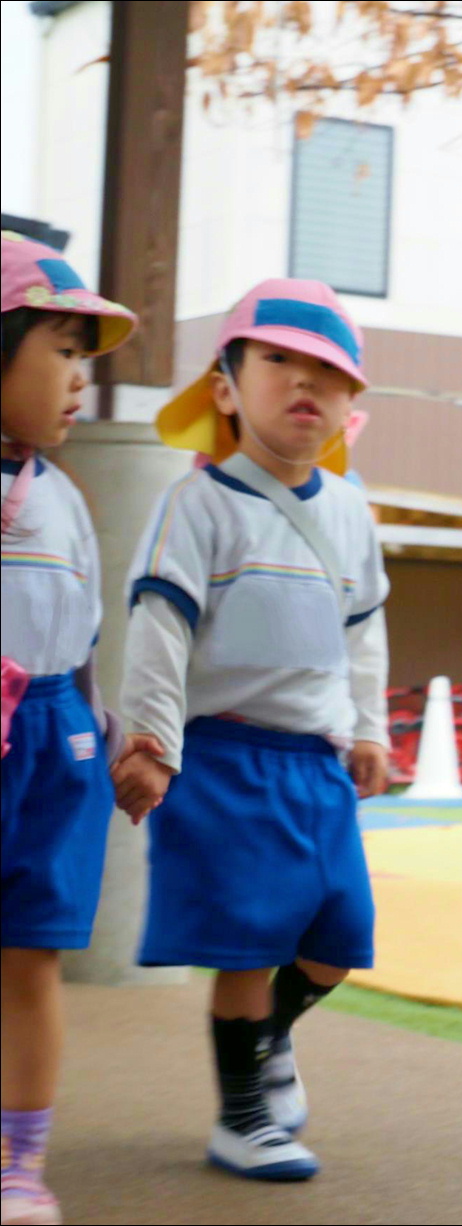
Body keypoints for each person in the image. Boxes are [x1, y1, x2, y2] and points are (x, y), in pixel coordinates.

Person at [109, 279, 391, 1182]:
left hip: (316, 762)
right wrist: (151, 739)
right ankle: (243, 1120)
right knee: (248, 944)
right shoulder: (199, 506)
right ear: (225, 388)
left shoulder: (350, 513)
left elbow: (366, 632)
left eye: (329, 372)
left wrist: (370, 730)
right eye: (278, 361)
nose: (305, 383)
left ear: (352, 404)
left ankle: (270, 1039)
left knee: (340, 936)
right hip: (226, 752)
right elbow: (160, 624)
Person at [0, 231, 138, 1226]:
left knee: (31, 955)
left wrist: (110, 737)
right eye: (60, 348)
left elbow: (85, 632)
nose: (78, 377)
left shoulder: (65, 498)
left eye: (85, 356)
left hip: (55, 740)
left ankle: (21, 1160)